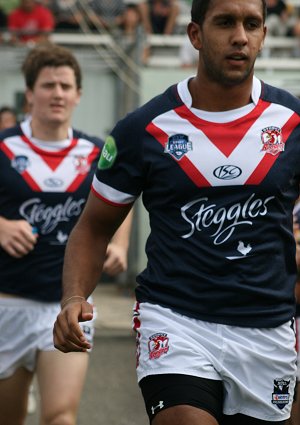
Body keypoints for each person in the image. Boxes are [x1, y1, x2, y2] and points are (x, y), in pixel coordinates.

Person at [54, 0, 300, 424]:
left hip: (268, 329)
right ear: (196, 35)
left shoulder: (292, 124)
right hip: (176, 320)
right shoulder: (144, 128)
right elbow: (94, 228)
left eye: (252, 24)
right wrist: (75, 296)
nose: (240, 36)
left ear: (262, 35)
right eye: (225, 22)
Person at [0, 42, 133, 425]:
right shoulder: (5, 147)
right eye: (47, 85)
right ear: (29, 94)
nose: (57, 93)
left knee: (60, 417)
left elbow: (116, 207)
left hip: (67, 306)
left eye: (65, 85)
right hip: (10, 304)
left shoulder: (95, 153)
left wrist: (120, 245)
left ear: (78, 95)